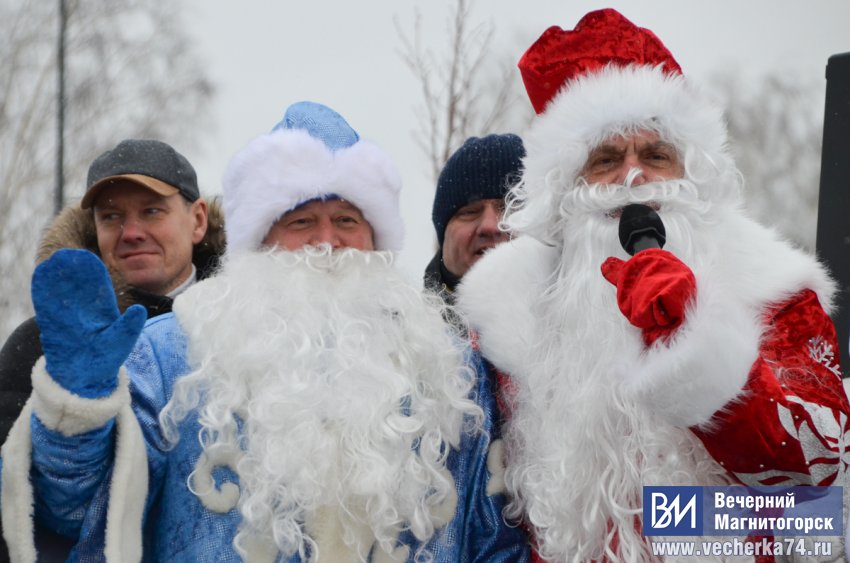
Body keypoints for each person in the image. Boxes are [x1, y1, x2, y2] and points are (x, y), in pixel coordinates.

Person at [1, 102, 529, 562]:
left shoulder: (448, 368)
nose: (327, 242)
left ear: (375, 237)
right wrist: (75, 411)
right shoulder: (167, 354)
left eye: (347, 220)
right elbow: (73, 510)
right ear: (261, 241)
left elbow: (493, 542)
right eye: (300, 222)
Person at [456, 9, 850, 562]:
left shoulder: (773, 295)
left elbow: (826, 511)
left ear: (693, 172)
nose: (633, 176)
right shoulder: (508, 326)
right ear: (567, 185)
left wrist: (702, 361)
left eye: (656, 155)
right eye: (606, 159)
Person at [0, 139, 222, 562]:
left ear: (197, 221)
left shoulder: (253, 334)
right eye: (111, 217)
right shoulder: (41, 341)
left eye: (151, 211)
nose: (131, 231)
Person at [424, 134, 525, 310]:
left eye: (511, 209)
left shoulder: (586, 332)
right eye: (469, 212)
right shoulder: (398, 335)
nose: (490, 226)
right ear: (443, 236)